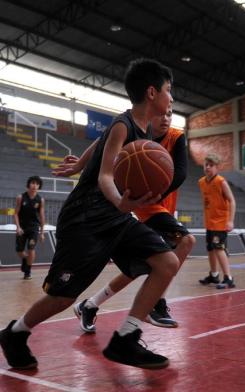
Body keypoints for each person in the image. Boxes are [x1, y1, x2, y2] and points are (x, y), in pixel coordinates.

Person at [0, 58, 180, 370]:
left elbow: (103, 139)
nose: (172, 98)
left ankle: (126, 338)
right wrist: (118, 201)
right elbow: (105, 177)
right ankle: (15, 333)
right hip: (86, 217)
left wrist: (80, 163)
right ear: (152, 93)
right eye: (169, 90)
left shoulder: (140, 126)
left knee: (167, 262)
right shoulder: (125, 124)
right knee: (63, 296)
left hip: (116, 217)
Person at [56, 109, 195, 332]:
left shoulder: (176, 136)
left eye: (170, 113)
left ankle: (90, 305)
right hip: (139, 202)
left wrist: (154, 187)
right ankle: (156, 302)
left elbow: (180, 174)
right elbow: (104, 140)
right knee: (186, 241)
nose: (166, 117)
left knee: (140, 266)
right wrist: (81, 164)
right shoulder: (136, 127)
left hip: (156, 200)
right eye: (161, 113)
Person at [198, 153, 236, 289]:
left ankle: (228, 278)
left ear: (217, 167)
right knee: (210, 249)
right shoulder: (201, 182)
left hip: (221, 222)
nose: (208, 167)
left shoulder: (221, 182)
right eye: (206, 165)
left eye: (211, 165)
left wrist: (230, 221)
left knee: (219, 248)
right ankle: (214, 275)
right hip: (209, 222)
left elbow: (232, 201)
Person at [14, 176, 45, 280]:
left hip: (34, 228)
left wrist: (42, 232)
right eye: (32, 183)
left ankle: (28, 272)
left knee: (31, 248)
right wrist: (18, 227)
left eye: (37, 184)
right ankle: (26, 260)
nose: (34, 185)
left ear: (39, 186)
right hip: (22, 228)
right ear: (28, 184)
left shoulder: (40, 199)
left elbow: (42, 216)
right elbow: (15, 214)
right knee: (19, 251)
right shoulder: (20, 197)